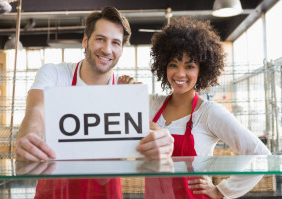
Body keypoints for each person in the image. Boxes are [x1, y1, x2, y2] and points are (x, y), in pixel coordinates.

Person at [15, 7, 173, 199]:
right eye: (100, 39)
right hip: (55, 188)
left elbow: (148, 127)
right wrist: (29, 139)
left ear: (121, 50)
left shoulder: (124, 89)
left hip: (106, 190)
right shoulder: (55, 74)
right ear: (85, 40)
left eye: (115, 42)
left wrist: (162, 140)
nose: (107, 49)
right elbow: (36, 110)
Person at [143, 17, 271, 199]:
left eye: (189, 66)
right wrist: (129, 87)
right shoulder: (152, 104)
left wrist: (221, 191)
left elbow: (260, 155)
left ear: (202, 70)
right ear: (164, 66)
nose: (180, 74)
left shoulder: (210, 113)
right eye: (173, 65)